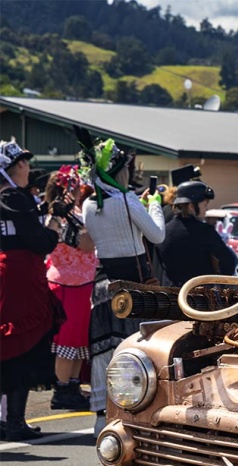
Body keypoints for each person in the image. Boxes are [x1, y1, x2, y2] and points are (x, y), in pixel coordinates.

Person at [80, 137, 165, 434]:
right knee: (138, 348)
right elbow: (156, 236)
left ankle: (101, 416)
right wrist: (154, 205)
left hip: (103, 281)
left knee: (105, 350)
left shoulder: (89, 204)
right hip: (134, 282)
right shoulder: (128, 200)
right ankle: (138, 410)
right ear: (119, 171)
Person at [0, 140, 63, 441]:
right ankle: (13, 421)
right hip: (17, 276)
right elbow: (39, 241)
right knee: (17, 344)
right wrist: (53, 230)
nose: (26, 167)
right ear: (16, 168)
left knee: (13, 344)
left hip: (16, 274)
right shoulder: (12, 197)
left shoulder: (16, 197)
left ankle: (11, 420)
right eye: (22, 163)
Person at [44, 166, 98, 411]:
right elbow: (86, 244)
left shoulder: (69, 213)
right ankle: (62, 389)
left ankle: (72, 386)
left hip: (80, 283)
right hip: (68, 284)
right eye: (75, 185)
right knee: (67, 342)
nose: (80, 189)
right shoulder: (59, 216)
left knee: (77, 342)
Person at [156, 180, 237, 285]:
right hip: (201, 296)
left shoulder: (164, 230)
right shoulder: (205, 231)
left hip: (170, 295)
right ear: (191, 206)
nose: (206, 209)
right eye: (205, 205)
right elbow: (228, 261)